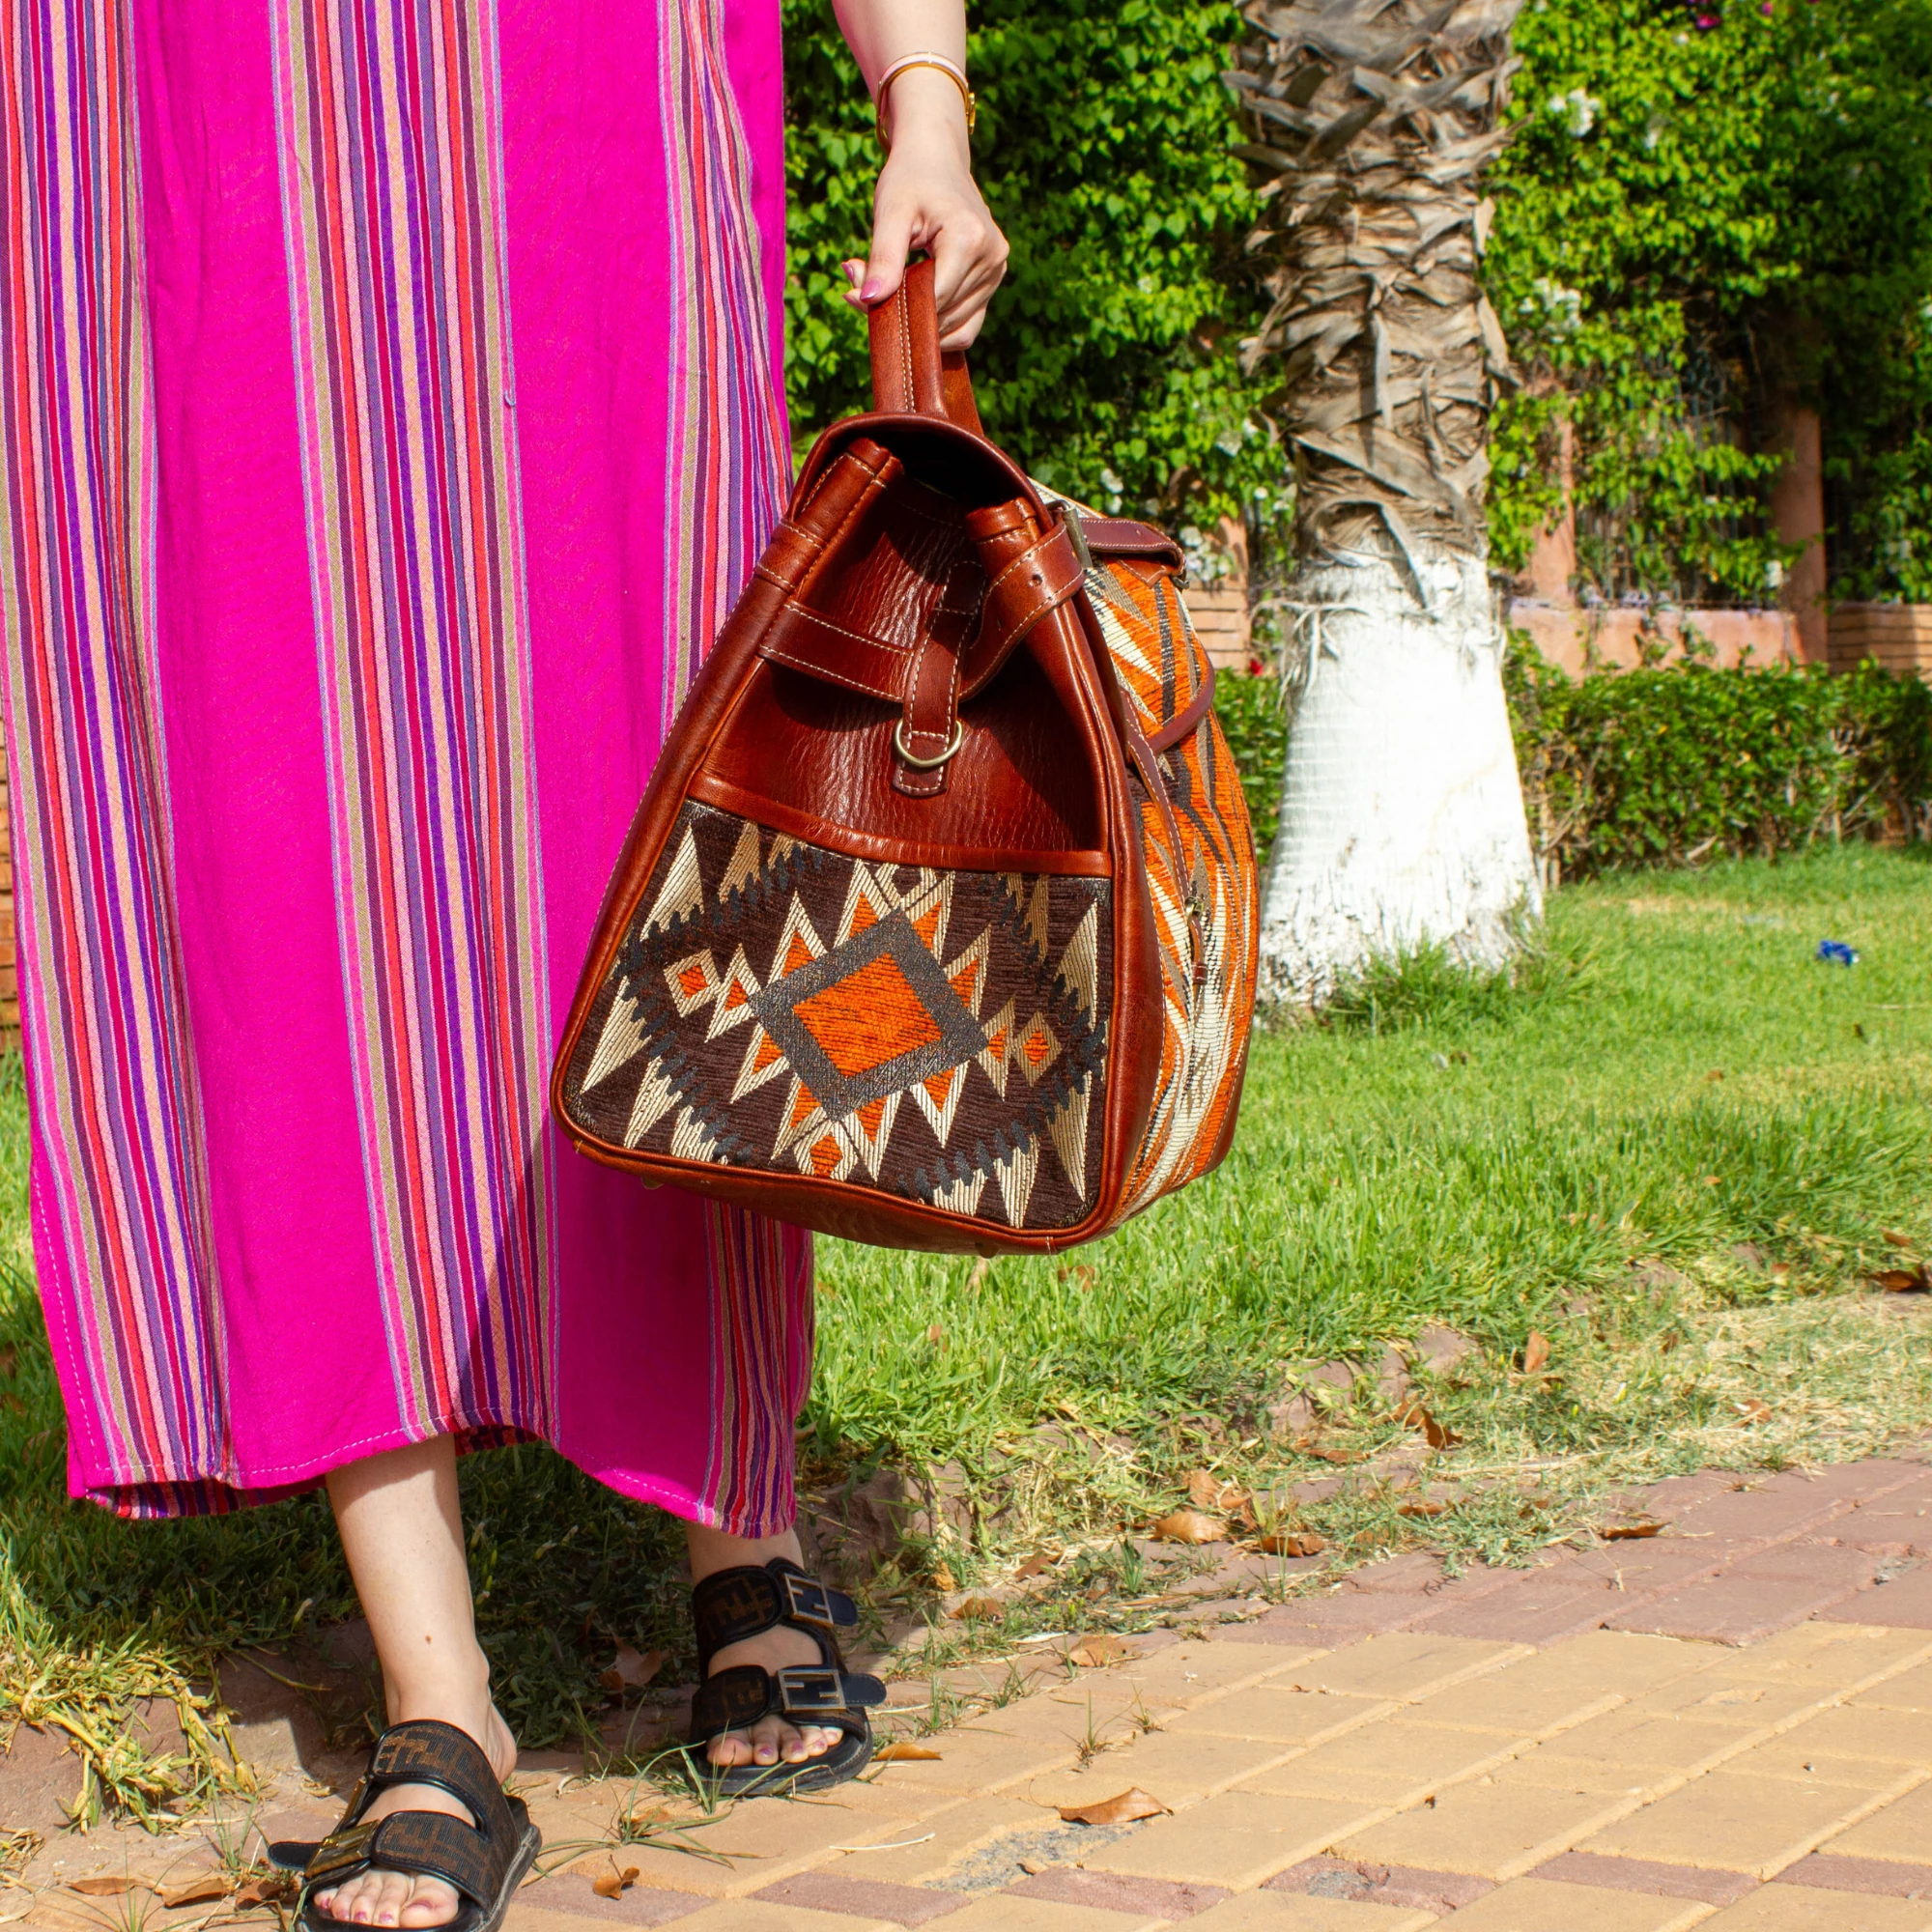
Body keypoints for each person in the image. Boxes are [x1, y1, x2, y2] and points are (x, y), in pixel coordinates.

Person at [0, 2, 1007, 1927]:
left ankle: (741, 1533)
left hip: (592, 147)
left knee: (660, 813)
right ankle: (436, 1693)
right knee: (288, 832)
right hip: (218, 142)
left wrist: (925, 106)